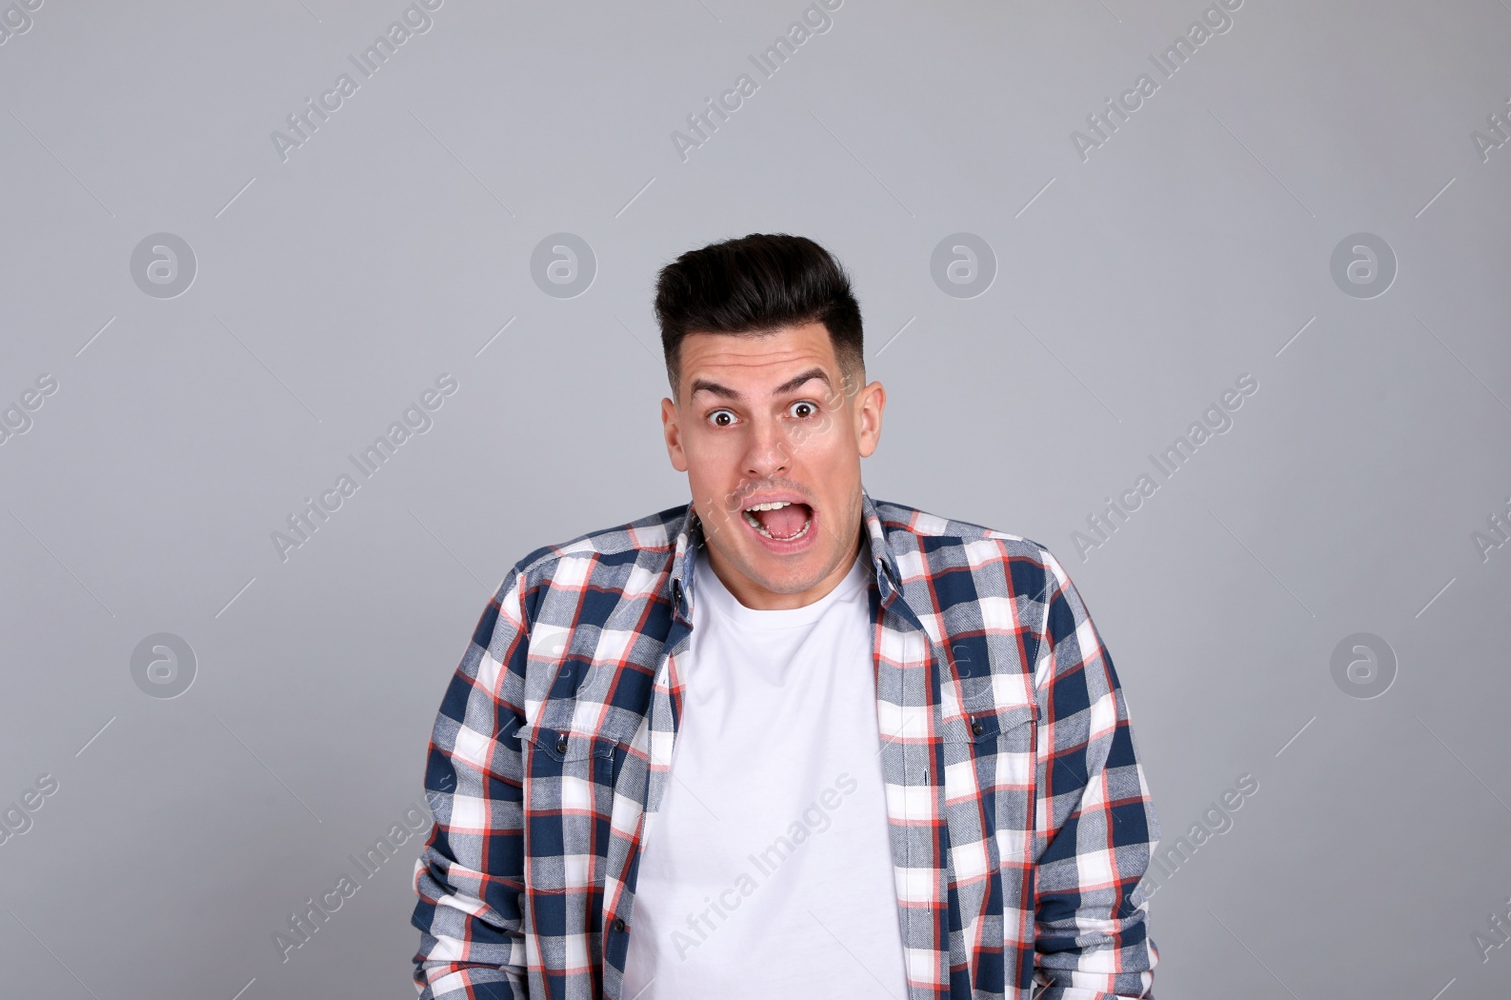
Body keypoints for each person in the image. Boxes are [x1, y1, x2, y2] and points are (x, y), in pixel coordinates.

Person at [409, 233, 1161, 999]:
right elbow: (467, 934)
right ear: (676, 434)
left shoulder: (1016, 604)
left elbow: (1095, 943)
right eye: (723, 418)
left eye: (802, 408)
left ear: (864, 418)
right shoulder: (550, 612)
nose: (765, 456)